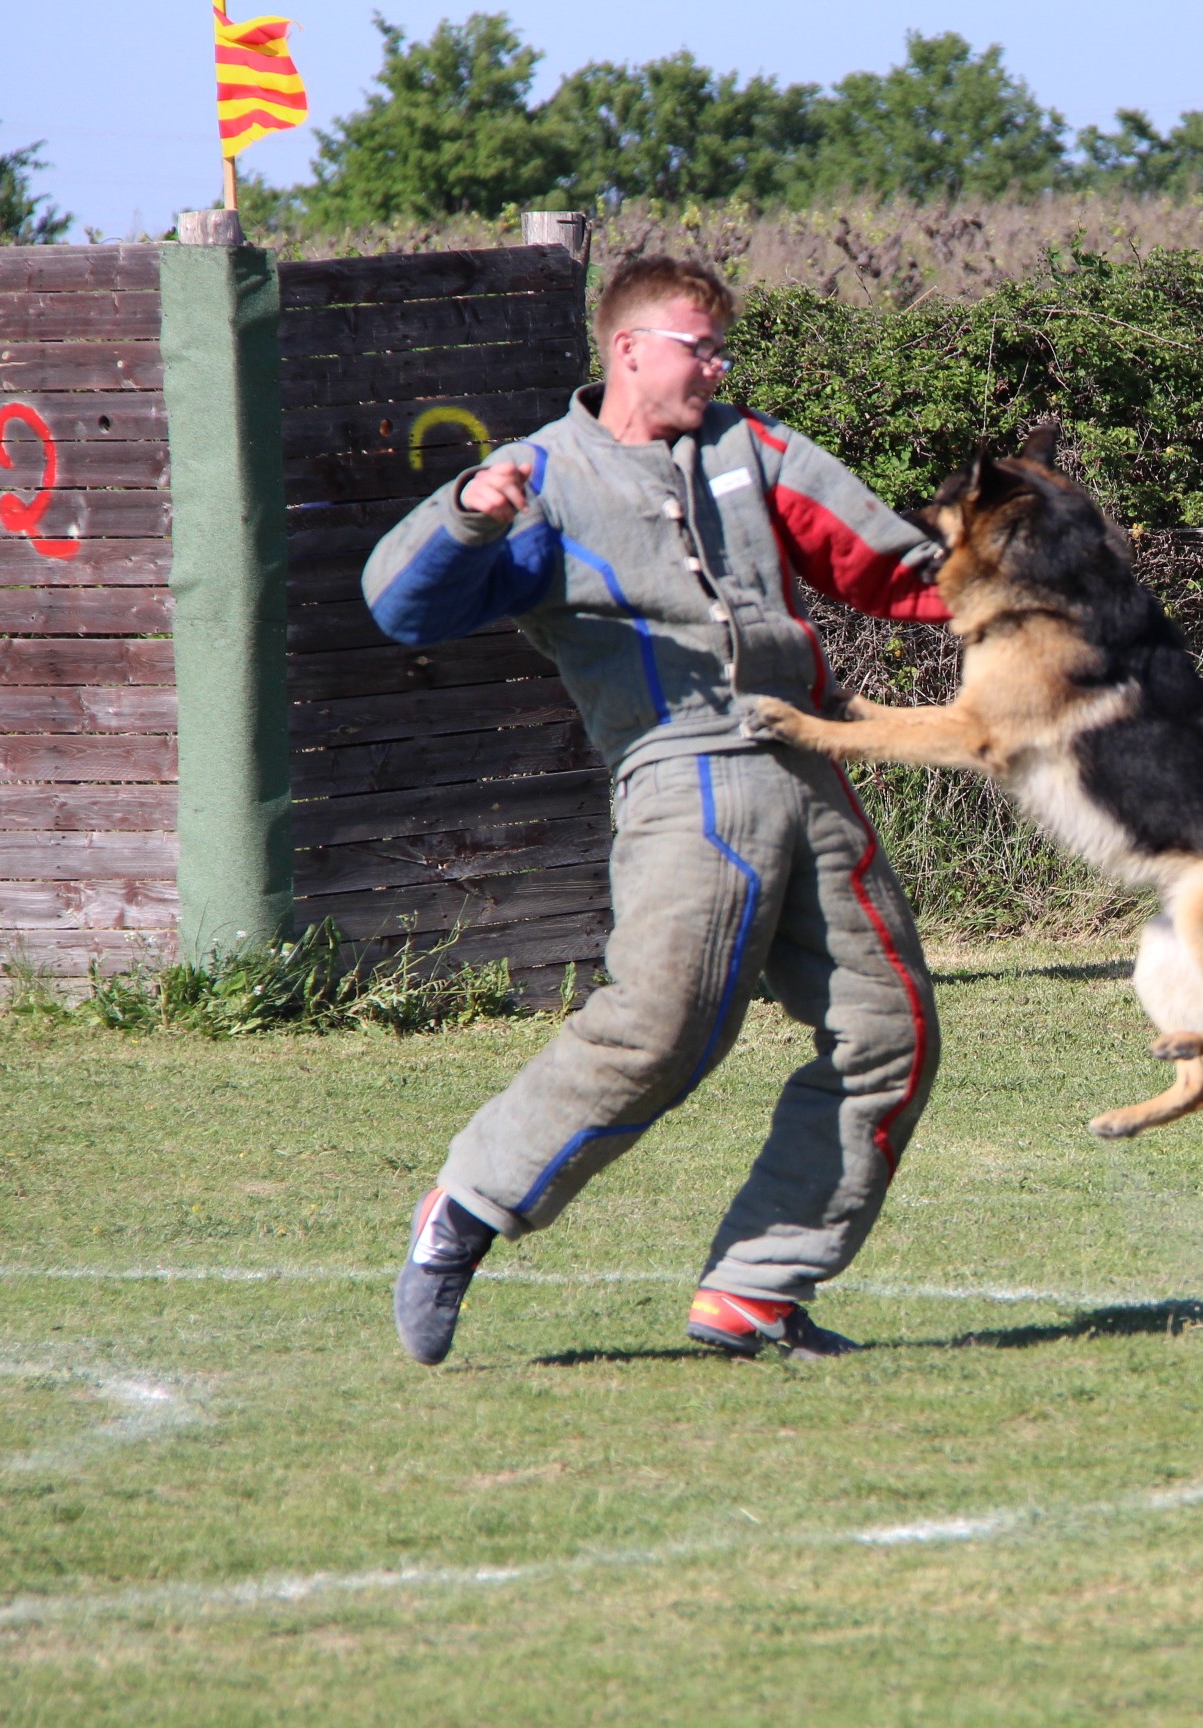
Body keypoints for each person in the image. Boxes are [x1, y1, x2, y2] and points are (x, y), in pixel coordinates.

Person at [363, 254, 947, 1366]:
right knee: (659, 1035)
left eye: (723, 350)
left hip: (808, 762)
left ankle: (756, 1294)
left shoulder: (752, 447)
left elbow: (888, 562)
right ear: (628, 349)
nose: (718, 368)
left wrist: (1040, 581)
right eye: (700, 348)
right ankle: (466, 1209)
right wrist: (469, 516)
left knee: (890, 1035)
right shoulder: (537, 476)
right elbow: (399, 604)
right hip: (682, 781)